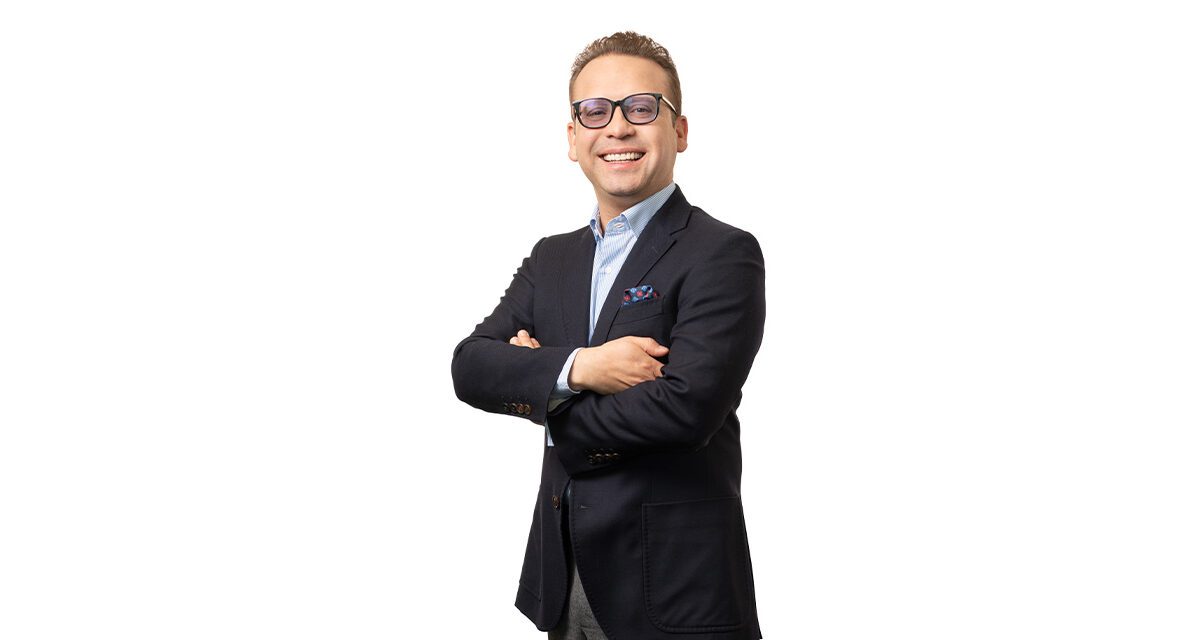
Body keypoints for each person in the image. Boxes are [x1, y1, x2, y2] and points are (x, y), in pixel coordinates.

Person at [451, 31, 766, 640]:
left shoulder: (722, 253)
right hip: (562, 575)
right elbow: (471, 367)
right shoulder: (552, 259)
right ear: (574, 138)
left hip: (676, 588)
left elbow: (687, 410)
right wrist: (581, 369)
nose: (617, 127)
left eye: (641, 108)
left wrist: (544, 395)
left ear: (679, 131)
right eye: (594, 111)